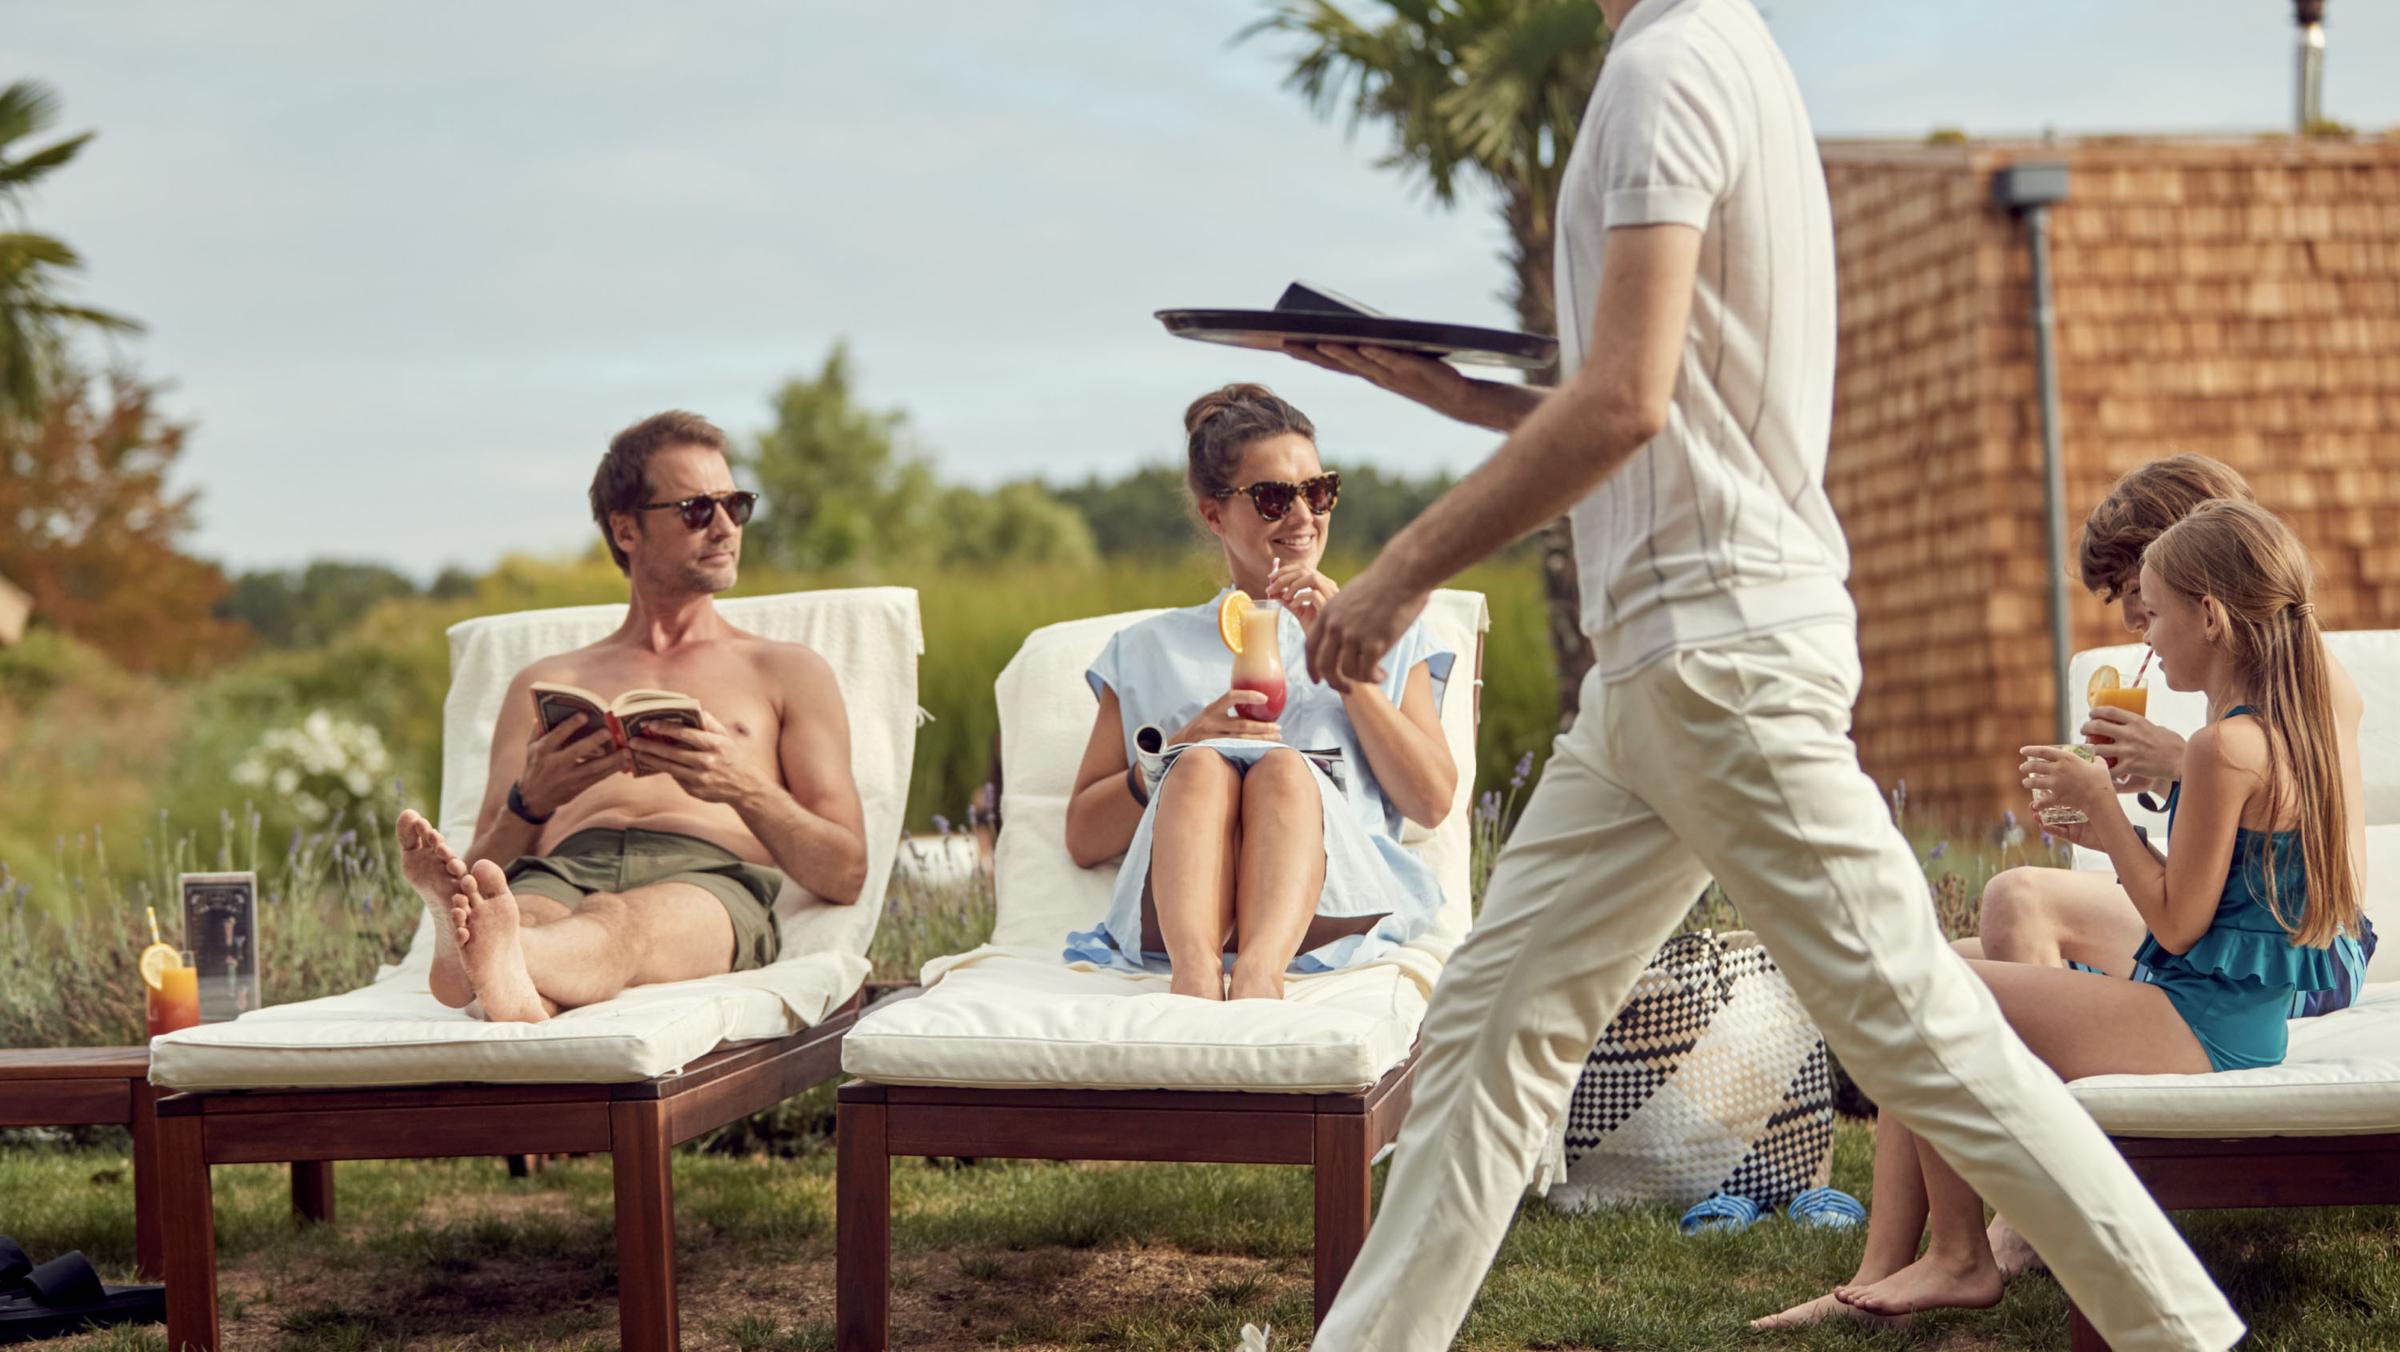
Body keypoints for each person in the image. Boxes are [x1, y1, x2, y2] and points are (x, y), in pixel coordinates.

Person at [1278, 0, 2247, 1345]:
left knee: (1930, 1040)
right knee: (1486, 1049)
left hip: (1720, 656)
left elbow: (1627, 402)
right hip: (1654, 673)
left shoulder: (1670, 67)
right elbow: (1667, 402)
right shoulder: (1714, 56)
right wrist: (1449, 392)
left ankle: (2194, 1337)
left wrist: (1399, 575)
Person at [1757, 497, 2365, 1326]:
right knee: (1942, 965)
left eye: (2154, 614)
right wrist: (2117, 822)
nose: (2144, 636)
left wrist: (2106, 814)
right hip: (2231, 1020)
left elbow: (2177, 926)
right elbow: (2211, 905)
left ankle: (1959, 1256)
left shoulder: (2224, 749)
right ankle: (1900, 1263)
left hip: (2202, 1030)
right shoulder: (2266, 733)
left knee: (1922, 986)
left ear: (2211, 616)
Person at [393, 410, 868, 1023]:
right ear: (626, 531)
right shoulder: (548, 681)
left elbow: (847, 872)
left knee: (620, 926)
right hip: (561, 864)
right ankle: (509, 972)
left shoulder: (785, 670)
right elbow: (491, 855)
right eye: (699, 509)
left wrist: (740, 784)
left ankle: (477, 958)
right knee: (523, 909)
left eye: (737, 505)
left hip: (706, 875)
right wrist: (531, 801)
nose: (725, 527)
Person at [1060, 384, 1457, 1000]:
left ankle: (1258, 977)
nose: (1303, 517)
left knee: (1281, 771)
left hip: (1332, 905)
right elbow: (1084, 838)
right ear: (1213, 514)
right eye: (1273, 498)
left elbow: (1431, 801)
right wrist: (1178, 749)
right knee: (1196, 770)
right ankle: (1194, 982)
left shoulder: (1388, 634)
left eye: (1318, 491)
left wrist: (1345, 664)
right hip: (1172, 921)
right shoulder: (1145, 649)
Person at [1958, 455, 2373, 1009]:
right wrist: (2164, 783)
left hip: (2303, 959)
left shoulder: (2300, 672)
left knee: (2022, 899)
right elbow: (2232, 864)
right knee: (1956, 964)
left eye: (2138, 593)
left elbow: (2293, 814)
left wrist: (2176, 765)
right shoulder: (2233, 682)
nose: (2134, 621)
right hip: (2244, 934)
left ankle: (2067, 1085)